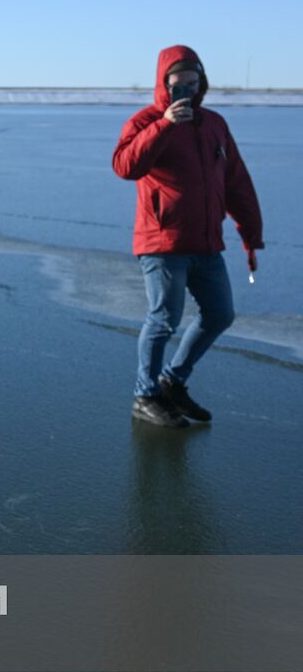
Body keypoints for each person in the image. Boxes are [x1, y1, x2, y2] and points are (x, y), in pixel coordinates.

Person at [111, 45, 264, 428]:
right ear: (164, 84)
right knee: (163, 319)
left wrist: (250, 232)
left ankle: (173, 382)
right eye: (179, 85)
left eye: (194, 85)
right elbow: (125, 167)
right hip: (162, 243)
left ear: (202, 83)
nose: (188, 93)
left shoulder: (214, 124)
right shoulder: (145, 121)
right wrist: (164, 125)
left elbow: (235, 181)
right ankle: (145, 396)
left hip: (206, 242)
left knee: (220, 315)